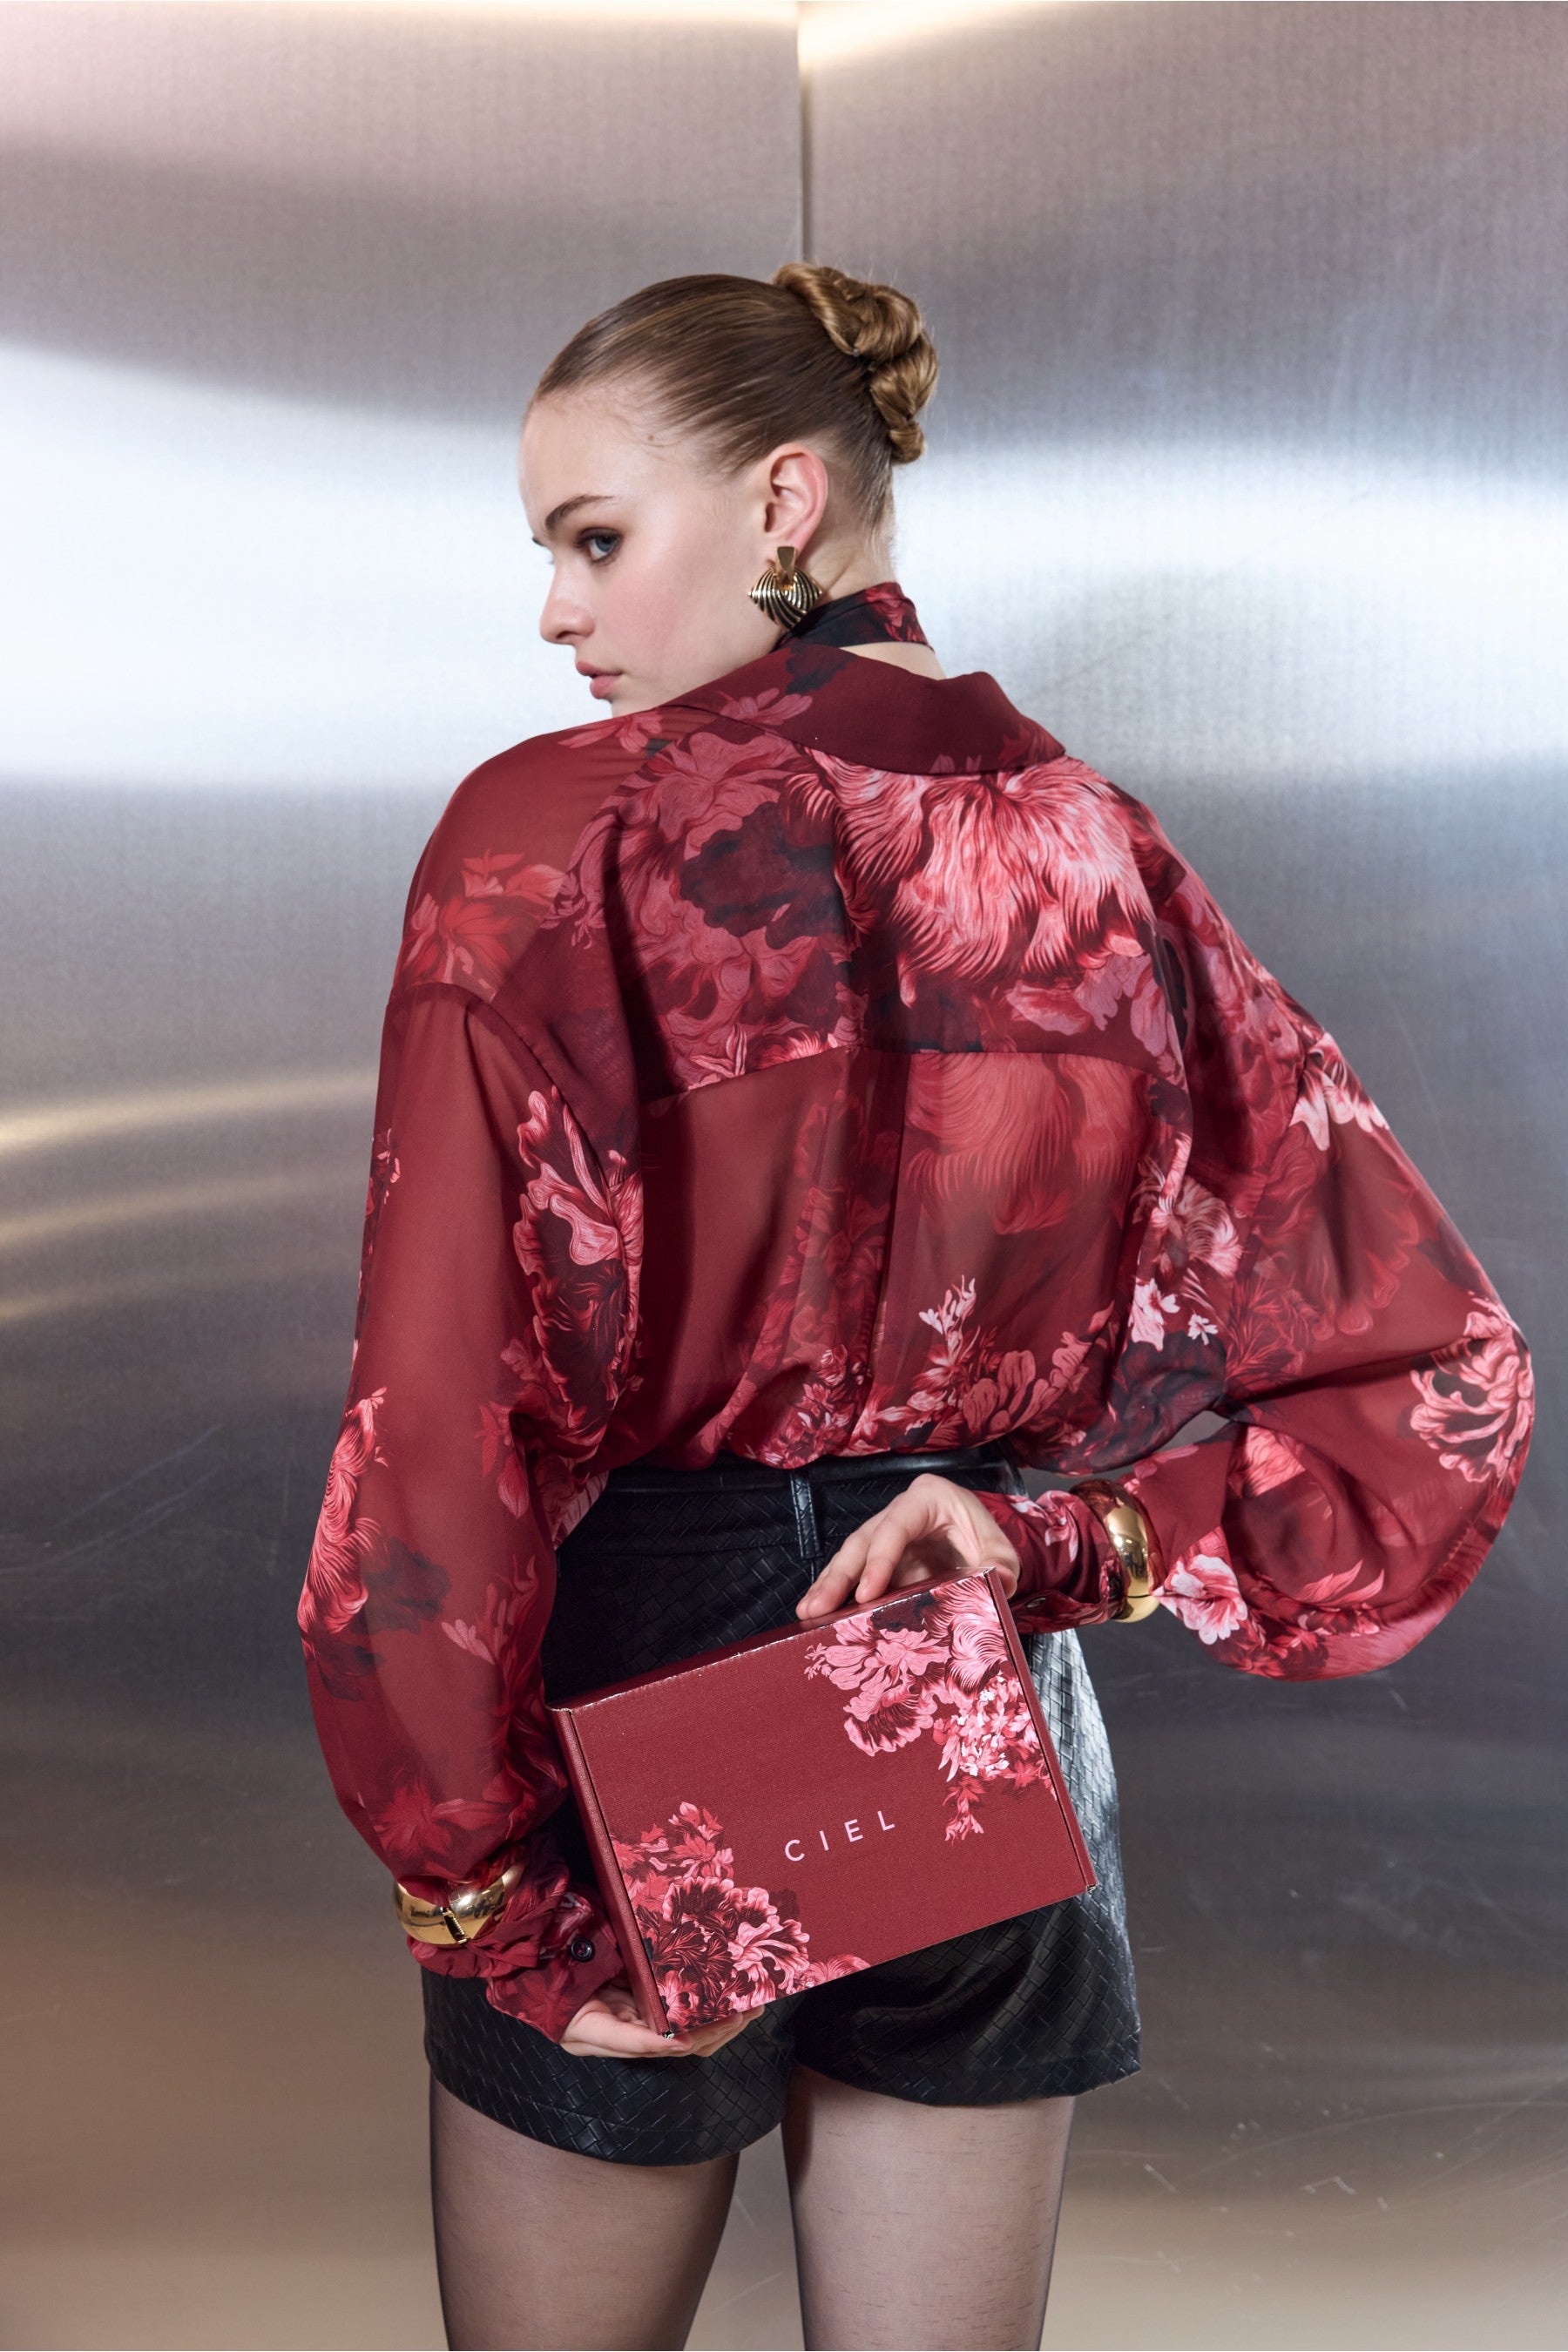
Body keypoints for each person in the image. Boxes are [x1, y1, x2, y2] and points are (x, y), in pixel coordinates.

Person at [295, 264, 1534, 2352]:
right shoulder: (1096, 851)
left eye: (593, 538)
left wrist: (484, 1886)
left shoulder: (552, 837)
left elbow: (438, 1415)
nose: (558, 612)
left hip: (628, 1692)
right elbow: (1436, 1375)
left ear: (784, 498)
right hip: (963, 1680)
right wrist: (1073, 1543)